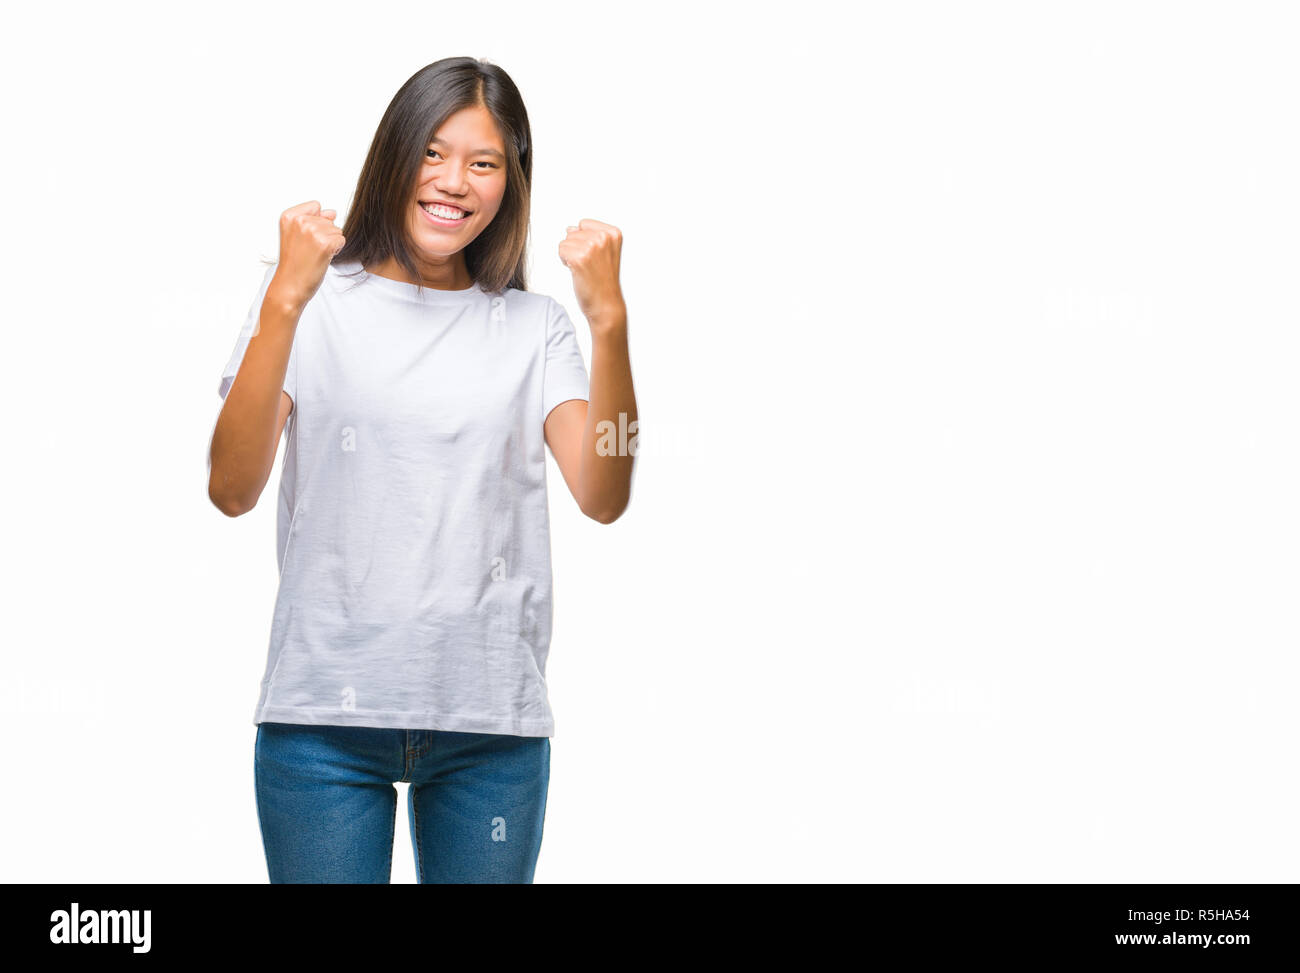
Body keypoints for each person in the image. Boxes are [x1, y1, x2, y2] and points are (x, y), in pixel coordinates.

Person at [207, 56, 638, 883]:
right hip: (322, 719)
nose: (454, 182)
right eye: (434, 153)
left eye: (483, 163)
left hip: (490, 723)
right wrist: (284, 304)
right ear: (395, 156)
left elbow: (606, 488)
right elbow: (231, 488)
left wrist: (609, 325)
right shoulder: (305, 298)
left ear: (511, 182)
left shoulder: (533, 326)